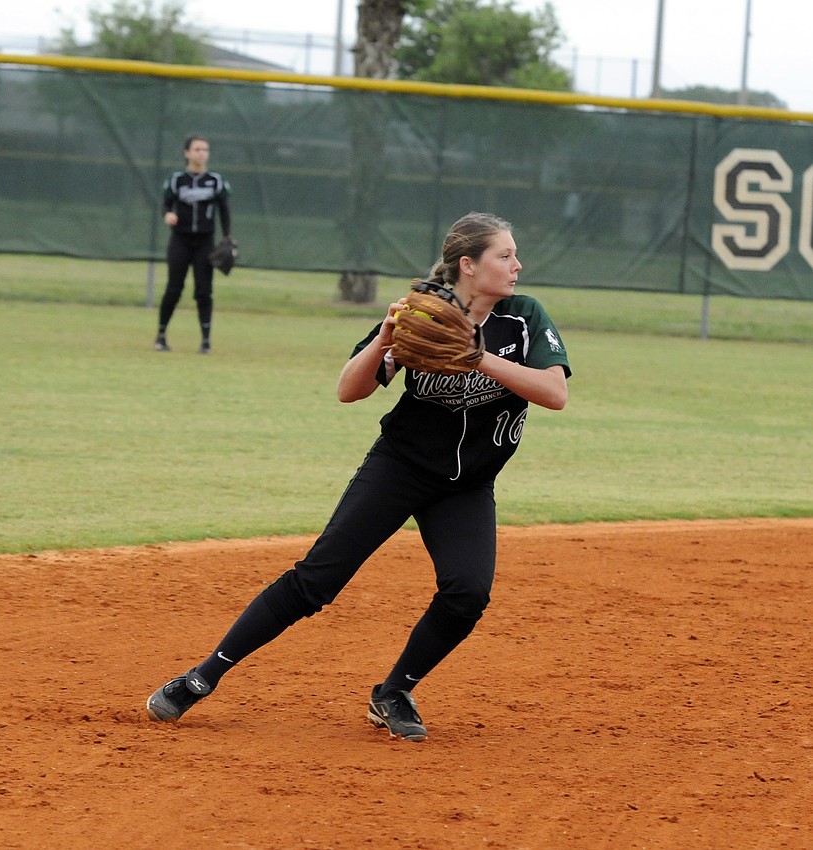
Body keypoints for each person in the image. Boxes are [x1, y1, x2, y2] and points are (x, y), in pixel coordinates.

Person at [146, 212, 571, 741]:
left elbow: (554, 393)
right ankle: (201, 678)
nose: (516, 264)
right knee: (316, 581)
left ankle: (393, 691)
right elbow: (350, 390)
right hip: (401, 467)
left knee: (467, 592)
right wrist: (387, 336)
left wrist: (478, 358)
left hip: (466, 485)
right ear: (468, 265)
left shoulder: (522, 317)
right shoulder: (425, 314)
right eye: (504, 255)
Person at [154, 135, 232, 355]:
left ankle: (205, 341)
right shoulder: (177, 179)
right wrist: (167, 214)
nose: (202, 153)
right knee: (174, 288)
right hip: (180, 240)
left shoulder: (215, 180)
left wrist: (227, 237)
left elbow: (224, 210)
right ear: (187, 153)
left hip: (205, 242)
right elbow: (166, 204)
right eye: (197, 149)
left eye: (205, 149)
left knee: (203, 291)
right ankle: (161, 335)